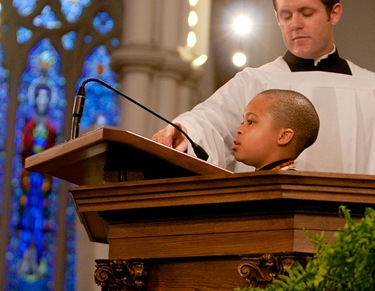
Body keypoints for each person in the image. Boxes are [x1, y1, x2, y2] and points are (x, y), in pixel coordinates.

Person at [152, 0, 375, 175]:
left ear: (334, 13)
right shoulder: (254, 81)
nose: (295, 24)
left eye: (307, 13)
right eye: (286, 16)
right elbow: (211, 121)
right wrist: (186, 132)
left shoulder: (369, 88)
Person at [232, 89, 319, 171]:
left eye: (251, 122)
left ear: (283, 136)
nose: (239, 130)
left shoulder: (288, 185)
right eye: (242, 123)